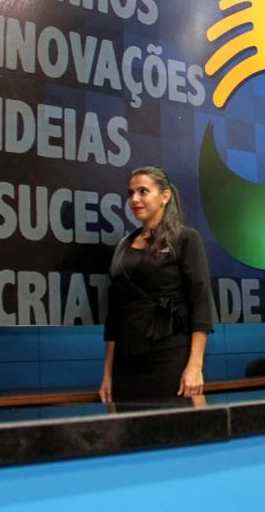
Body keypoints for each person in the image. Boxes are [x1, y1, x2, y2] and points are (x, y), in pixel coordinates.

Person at [99, 166, 216, 404]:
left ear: (164, 196)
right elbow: (115, 315)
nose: (135, 199)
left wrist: (195, 366)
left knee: (175, 424)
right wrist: (108, 373)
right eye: (131, 193)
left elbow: (201, 302)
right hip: (125, 361)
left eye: (143, 191)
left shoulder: (185, 238)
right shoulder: (123, 245)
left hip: (169, 355)